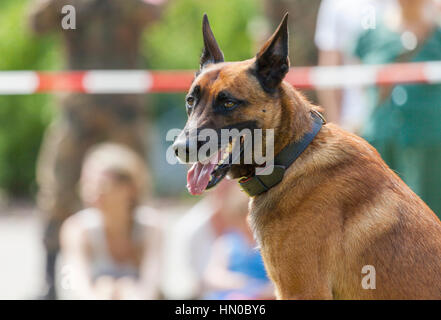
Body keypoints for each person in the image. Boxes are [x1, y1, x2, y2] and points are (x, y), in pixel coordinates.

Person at [28, 0, 164, 299]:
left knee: (134, 192)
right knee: (58, 193)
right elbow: (36, 25)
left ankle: (147, 276)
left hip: (123, 109)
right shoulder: (69, 8)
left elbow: (155, 14)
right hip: (78, 109)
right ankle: (51, 281)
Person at [354, 0, 441, 217]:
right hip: (380, 142)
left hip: (430, 147)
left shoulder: (437, 31)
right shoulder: (370, 33)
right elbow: (360, 85)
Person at [59, 143, 163, 299]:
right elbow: (77, 285)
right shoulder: (77, 229)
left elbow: (151, 285)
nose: (92, 192)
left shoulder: (151, 227)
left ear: (130, 188)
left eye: (102, 185)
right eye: (87, 184)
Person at [315, 0, 397, 132]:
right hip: (354, 123)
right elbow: (328, 72)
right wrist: (337, 131)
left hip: (401, 120)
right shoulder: (335, 5)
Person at [202, 188, 274, 300]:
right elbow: (212, 275)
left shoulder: (271, 244)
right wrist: (243, 284)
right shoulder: (227, 242)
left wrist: (260, 291)